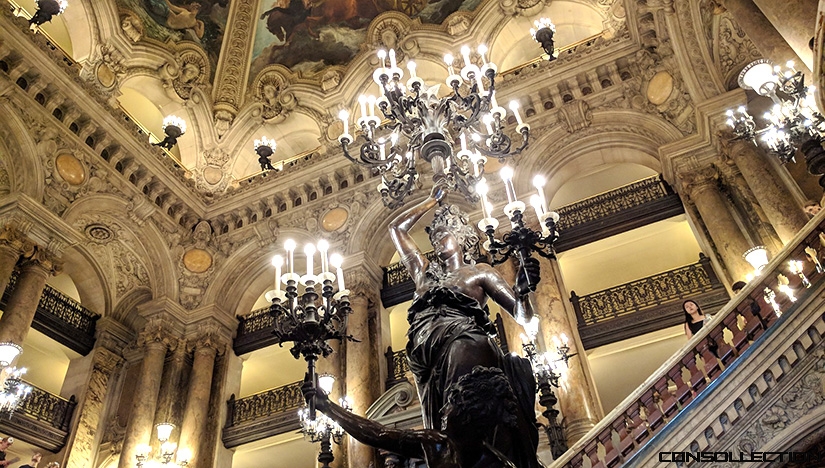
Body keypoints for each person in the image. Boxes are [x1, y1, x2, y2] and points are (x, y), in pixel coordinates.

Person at [386, 184, 542, 468]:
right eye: (433, 237)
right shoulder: (423, 274)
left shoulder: (479, 272)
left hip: (462, 341)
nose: (436, 241)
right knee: (436, 418)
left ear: (461, 237)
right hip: (425, 359)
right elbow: (396, 229)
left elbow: (524, 316)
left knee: (459, 403)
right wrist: (429, 202)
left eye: (442, 234)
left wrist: (522, 294)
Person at [306, 366, 523, 468]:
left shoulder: (497, 465)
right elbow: (377, 434)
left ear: (468, 414)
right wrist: (327, 406)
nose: (442, 411)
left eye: (450, 405)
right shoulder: (436, 443)